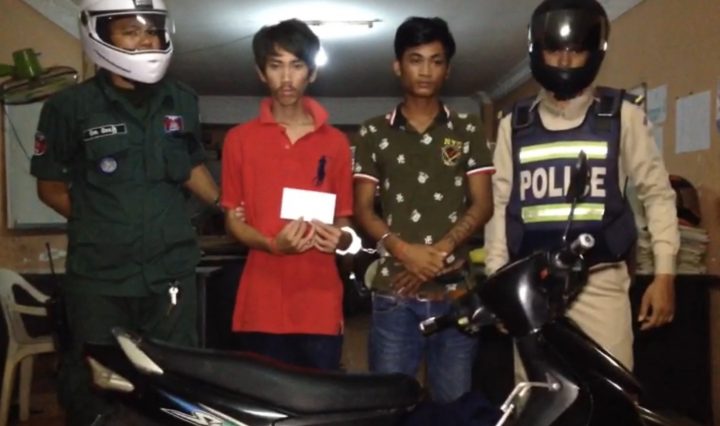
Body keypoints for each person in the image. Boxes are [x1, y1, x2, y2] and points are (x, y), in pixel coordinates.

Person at [30, 0, 219, 424]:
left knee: (174, 382)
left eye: (151, 30)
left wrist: (226, 207)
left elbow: (191, 167)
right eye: (130, 31)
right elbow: (50, 187)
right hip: (100, 279)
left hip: (170, 275)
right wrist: (101, 223)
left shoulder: (182, 99)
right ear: (99, 35)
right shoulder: (68, 107)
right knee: (97, 383)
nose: (146, 40)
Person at [484, 0, 679, 371]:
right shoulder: (514, 124)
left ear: (593, 52)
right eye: (554, 50)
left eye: (575, 51)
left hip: (600, 285)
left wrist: (665, 273)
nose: (564, 61)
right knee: (539, 394)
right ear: (538, 51)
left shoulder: (623, 116)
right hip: (531, 286)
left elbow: (658, 195)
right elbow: (498, 205)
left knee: (612, 394)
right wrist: (499, 284)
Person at [352, 17, 494, 403]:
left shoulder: (467, 129)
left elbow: (483, 204)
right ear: (398, 66)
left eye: (436, 60)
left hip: (455, 293)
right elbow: (363, 209)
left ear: (448, 69)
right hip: (394, 292)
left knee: (454, 405)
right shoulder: (373, 132)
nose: (426, 70)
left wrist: (437, 253)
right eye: (416, 60)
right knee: (389, 404)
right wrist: (406, 253)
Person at [221, 19, 357, 370]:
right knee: (262, 399)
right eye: (275, 65)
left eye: (296, 65)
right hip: (260, 304)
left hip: (320, 303)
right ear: (261, 72)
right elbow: (232, 220)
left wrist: (342, 240)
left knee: (321, 397)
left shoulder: (336, 143)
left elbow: (344, 222)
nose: (286, 77)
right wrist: (271, 245)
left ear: (312, 72)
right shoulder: (238, 140)